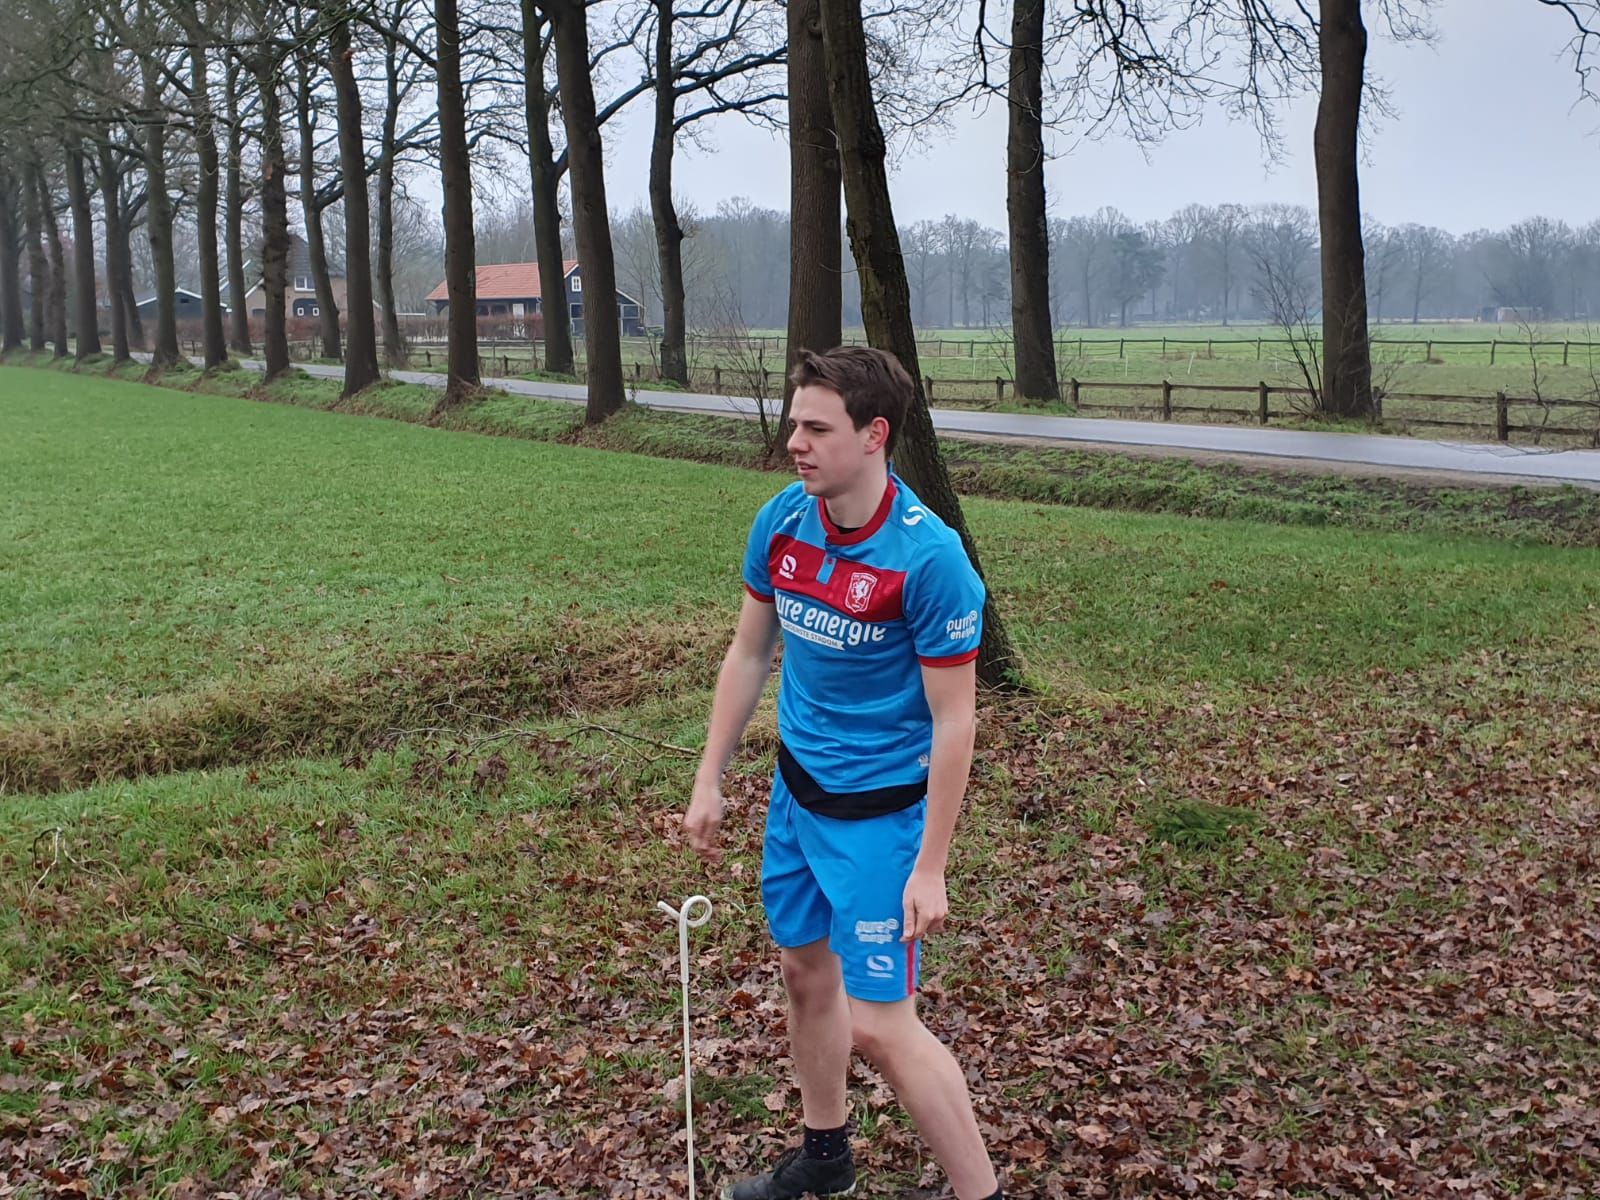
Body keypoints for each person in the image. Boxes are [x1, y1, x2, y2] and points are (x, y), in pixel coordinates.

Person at [684, 346, 1003, 1200]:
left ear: (874, 434)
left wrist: (930, 865)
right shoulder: (783, 522)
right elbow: (750, 653)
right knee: (804, 973)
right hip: (796, 799)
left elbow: (956, 719)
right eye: (796, 423)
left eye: (817, 428)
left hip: (881, 821)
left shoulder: (930, 560)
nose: (795, 442)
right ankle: (825, 1160)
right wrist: (710, 776)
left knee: (882, 1028)